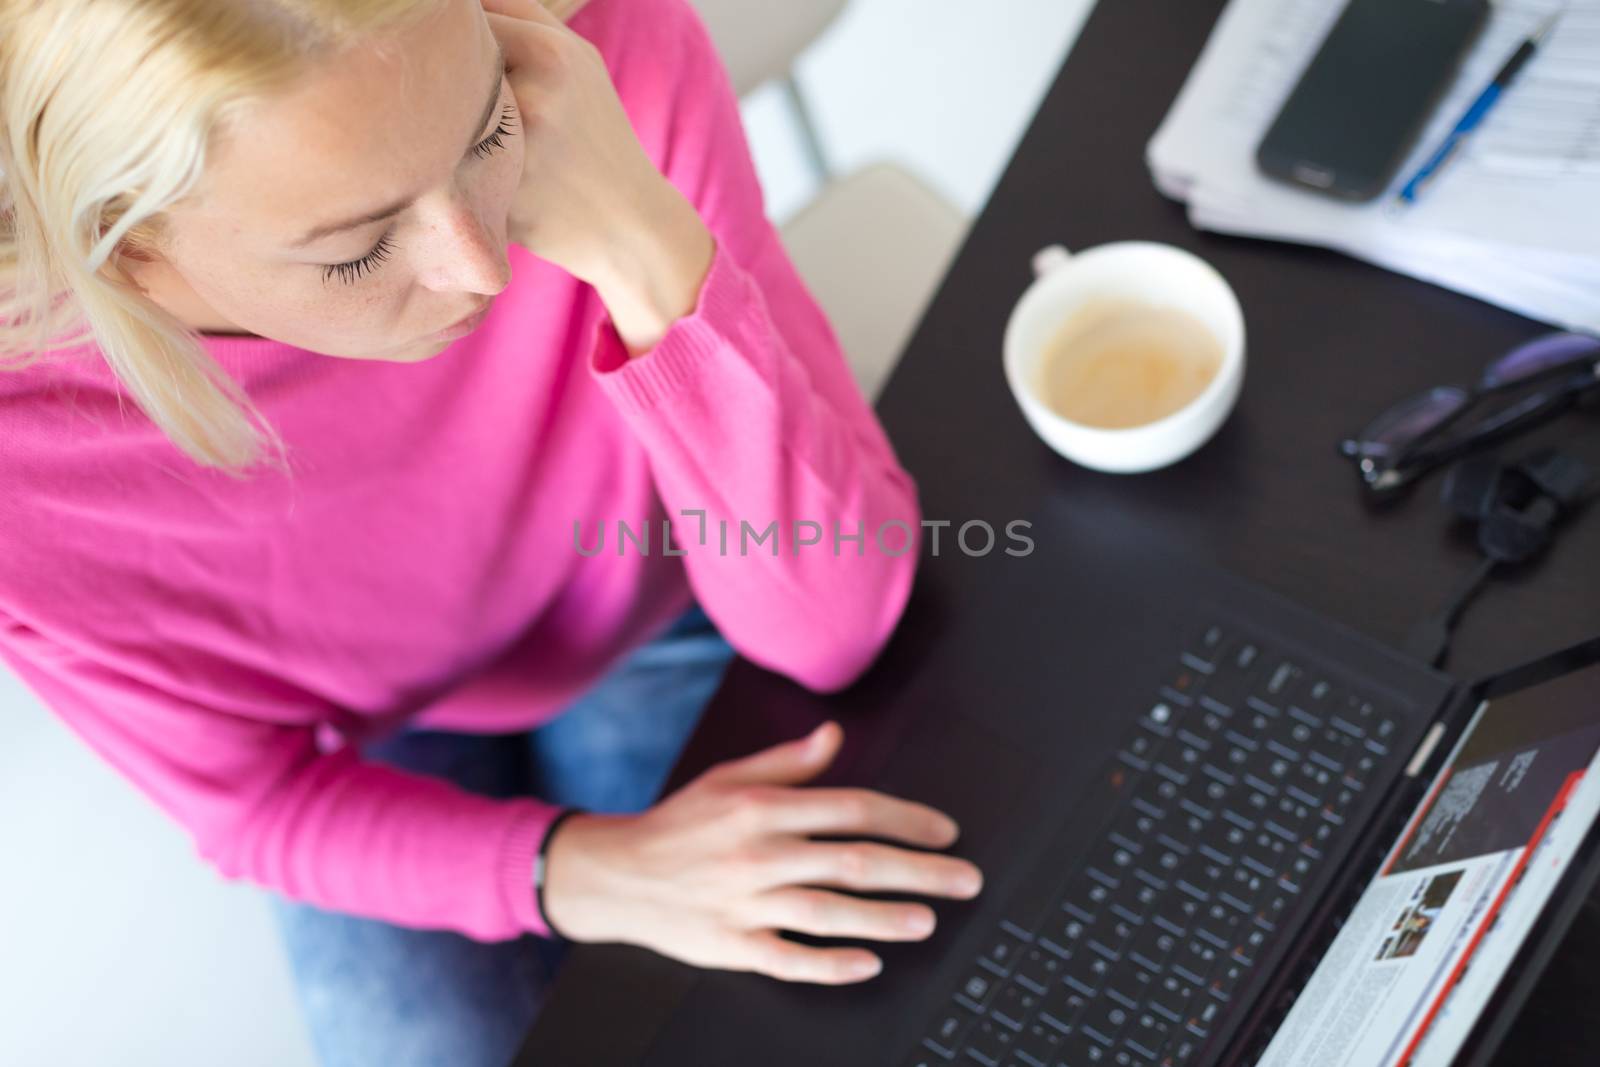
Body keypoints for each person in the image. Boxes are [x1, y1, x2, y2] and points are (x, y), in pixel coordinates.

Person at [0, 0, 985, 1064]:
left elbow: (835, 622)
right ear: (128, 250)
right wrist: (588, 870)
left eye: (486, 139)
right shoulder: (26, 455)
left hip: (650, 600)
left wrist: (637, 238)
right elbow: (256, 805)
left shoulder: (587, 55)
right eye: (359, 248)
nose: (482, 270)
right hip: (348, 735)